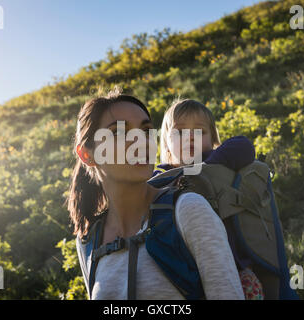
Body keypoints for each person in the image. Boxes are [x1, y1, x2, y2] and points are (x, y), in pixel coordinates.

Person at [67, 89, 244, 300]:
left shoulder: (188, 210)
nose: (139, 142)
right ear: (87, 154)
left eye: (145, 130)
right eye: (118, 132)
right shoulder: (89, 240)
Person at [157, 98, 264, 300]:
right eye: (180, 132)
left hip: (231, 265)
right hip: (179, 270)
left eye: (200, 131)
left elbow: (244, 146)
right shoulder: (161, 174)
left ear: (212, 139)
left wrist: (204, 167)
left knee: (249, 290)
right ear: (167, 144)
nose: (190, 137)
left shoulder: (214, 162)